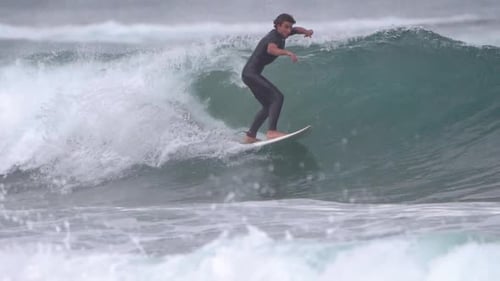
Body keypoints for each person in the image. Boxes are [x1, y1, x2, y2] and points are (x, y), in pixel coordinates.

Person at [242, 13, 313, 144]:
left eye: (290, 27)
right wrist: (287, 52)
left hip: (249, 75)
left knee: (267, 106)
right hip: (251, 74)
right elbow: (271, 50)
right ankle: (272, 131)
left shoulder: (282, 33)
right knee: (277, 97)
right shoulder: (273, 37)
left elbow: (296, 30)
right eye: (286, 27)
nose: (288, 30)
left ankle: (250, 136)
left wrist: (306, 31)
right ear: (278, 25)